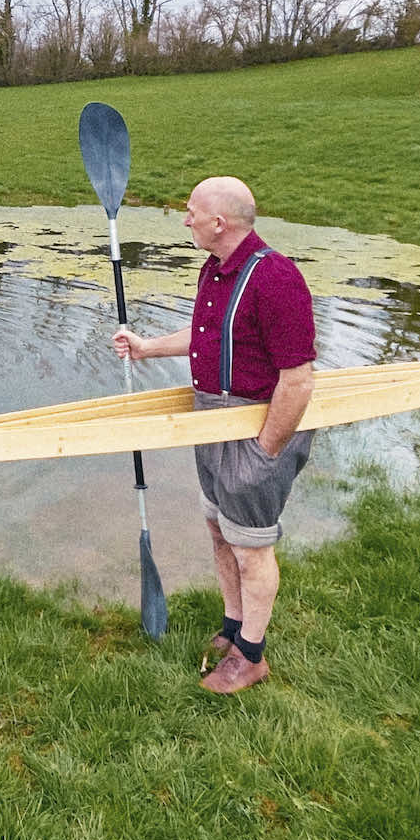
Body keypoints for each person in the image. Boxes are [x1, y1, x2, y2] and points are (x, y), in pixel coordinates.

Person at [112, 176, 316, 694]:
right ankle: (233, 626)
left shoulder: (277, 279)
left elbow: (298, 379)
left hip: (255, 428)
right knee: (219, 530)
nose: (185, 220)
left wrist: (266, 450)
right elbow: (209, 336)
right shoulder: (216, 268)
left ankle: (251, 656)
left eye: (191, 212)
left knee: (251, 547)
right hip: (212, 420)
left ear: (219, 222)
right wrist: (147, 347)